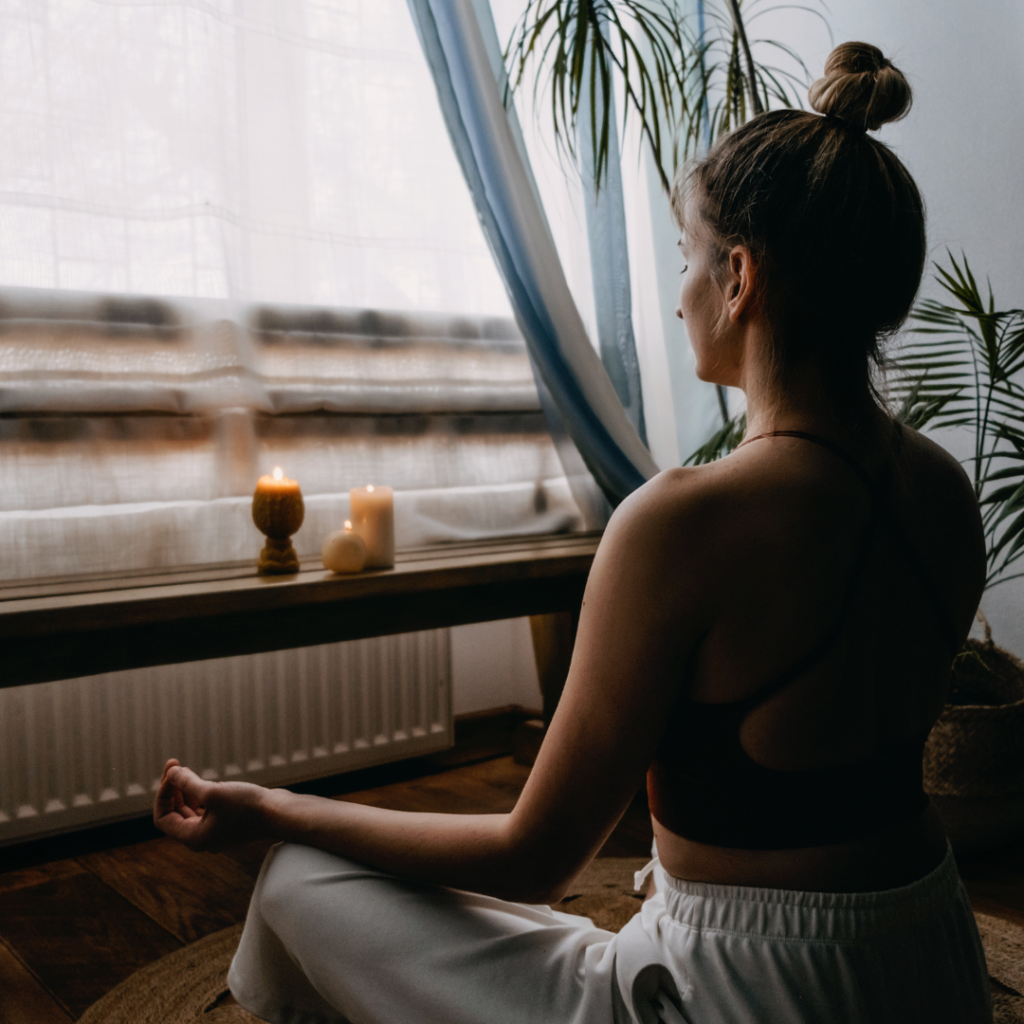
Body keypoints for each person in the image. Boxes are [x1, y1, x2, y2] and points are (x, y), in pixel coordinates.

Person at [154, 42, 993, 1024]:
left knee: (303, 875)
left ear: (738, 277)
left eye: (686, 258)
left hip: (753, 994)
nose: (678, 293)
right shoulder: (943, 489)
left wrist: (271, 809)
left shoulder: (684, 521)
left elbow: (532, 859)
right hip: (930, 961)